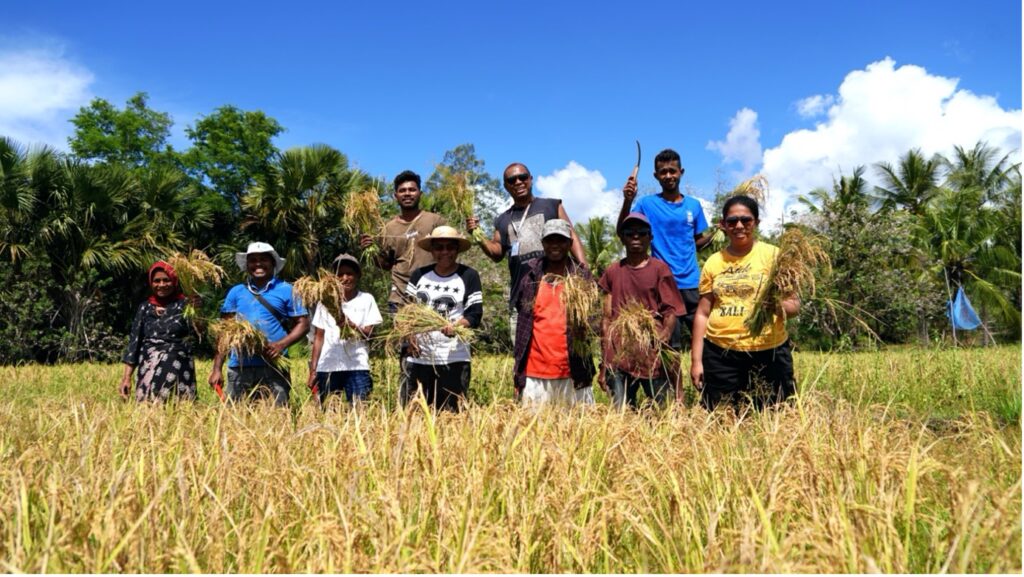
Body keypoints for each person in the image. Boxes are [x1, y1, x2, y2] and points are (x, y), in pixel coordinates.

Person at [690, 196, 799, 411]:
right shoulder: (714, 262)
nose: (739, 226)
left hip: (770, 351)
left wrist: (774, 304)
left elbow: (794, 306)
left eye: (746, 220)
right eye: (732, 221)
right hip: (721, 353)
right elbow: (703, 313)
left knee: (777, 416)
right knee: (722, 419)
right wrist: (696, 361)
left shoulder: (775, 256)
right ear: (723, 226)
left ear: (756, 223)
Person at [619, 148, 711, 397]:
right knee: (669, 347)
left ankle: (708, 397)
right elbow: (624, 230)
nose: (669, 175)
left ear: (681, 172)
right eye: (663, 172)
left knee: (707, 343)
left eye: (672, 170)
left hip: (693, 283)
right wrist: (627, 199)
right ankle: (677, 400)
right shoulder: (647, 204)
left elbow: (698, 241)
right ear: (656, 175)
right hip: (664, 286)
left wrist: (717, 232)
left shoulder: (694, 206)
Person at [466, 162, 588, 344]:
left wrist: (584, 270)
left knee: (563, 349)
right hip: (521, 297)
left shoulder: (551, 205)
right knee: (524, 356)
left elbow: (571, 235)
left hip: (557, 292)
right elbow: (496, 253)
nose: (518, 182)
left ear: (531, 179)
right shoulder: (502, 219)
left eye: (522, 177)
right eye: (511, 180)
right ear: (506, 186)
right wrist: (477, 234)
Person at [360, 170, 446, 406]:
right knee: (409, 350)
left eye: (412, 189)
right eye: (402, 190)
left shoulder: (434, 221)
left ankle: (440, 402)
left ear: (420, 192)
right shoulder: (388, 228)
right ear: (395, 196)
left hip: (434, 295)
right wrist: (371, 249)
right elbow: (385, 264)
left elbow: (448, 251)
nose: (407, 193)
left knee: (438, 346)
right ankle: (407, 404)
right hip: (401, 297)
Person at [598, 212, 686, 410]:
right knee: (621, 415)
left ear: (650, 238)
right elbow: (606, 319)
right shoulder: (613, 271)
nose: (636, 237)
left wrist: (665, 334)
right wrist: (604, 363)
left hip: (650, 353)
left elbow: (670, 311)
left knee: (659, 413)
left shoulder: (660, 269)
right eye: (630, 233)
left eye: (642, 233)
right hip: (619, 354)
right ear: (623, 238)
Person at [208, 242, 309, 407]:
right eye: (253, 260)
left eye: (263, 259)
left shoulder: (287, 290)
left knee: (277, 415)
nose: (258, 264)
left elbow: (303, 324)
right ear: (247, 265)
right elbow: (224, 333)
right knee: (236, 419)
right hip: (240, 366)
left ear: (273, 263)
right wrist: (217, 368)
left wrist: (280, 345)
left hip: (274, 365)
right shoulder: (236, 292)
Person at [512, 219, 596, 407]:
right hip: (535, 374)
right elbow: (522, 325)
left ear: (569, 244)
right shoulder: (531, 277)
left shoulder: (582, 277)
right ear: (543, 243)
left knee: (579, 433)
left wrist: (586, 327)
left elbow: (596, 318)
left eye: (561, 240)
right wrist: (518, 372)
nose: (555, 245)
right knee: (534, 434)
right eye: (550, 240)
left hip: (575, 373)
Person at [405, 226, 483, 412]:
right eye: (439, 247)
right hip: (420, 357)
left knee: (451, 417)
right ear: (432, 251)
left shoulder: (468, 276)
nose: (445, 252)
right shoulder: (419, 275)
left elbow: (475, 314)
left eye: (450, 247)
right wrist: (409, 337)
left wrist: (456, 326)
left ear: (457, 250)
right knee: (416, 415)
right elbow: (407, 312)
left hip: (453, 357)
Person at [307, 253, 383, 406]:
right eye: (340, 274)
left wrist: (350, 325)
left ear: (358, 275)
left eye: (350, 273)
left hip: (357, 365)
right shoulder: (325, 302)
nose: (345, 278)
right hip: (328, 366)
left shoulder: (366, 299)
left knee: (359, 412)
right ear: (333, 278)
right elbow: (319, 337)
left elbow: (371, 334)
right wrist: (313, 370)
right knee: (328, 413)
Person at [119, 261, 198, 402]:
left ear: (174, 281)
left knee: (179, 415)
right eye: (157, 281)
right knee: (148, 416)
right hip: (149, 371)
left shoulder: (186, 305)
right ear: (151, 282)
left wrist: (197, 310)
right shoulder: (144, 308)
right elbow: (134, 344)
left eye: (166, 280)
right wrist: (126, 378)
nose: (161, 285)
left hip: (179, 371)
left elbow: (199, 333)